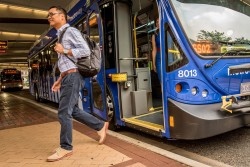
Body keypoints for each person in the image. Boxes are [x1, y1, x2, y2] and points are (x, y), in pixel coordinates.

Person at [46, 6, 109, 162]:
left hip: (74, 76)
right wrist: (60, 79)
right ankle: (100, 126)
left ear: (62, 17)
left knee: (63, 112)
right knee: (71, 110)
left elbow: (85, 51)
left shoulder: (70, 32)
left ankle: (66, 148)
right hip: (69, 76)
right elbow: (67, 63)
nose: (49, 17)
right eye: (48, 15)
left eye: (52, 14)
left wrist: (65, 50)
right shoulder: (61, 35)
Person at [151, 17, 161, 82]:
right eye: (157, 22)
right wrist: (154, 64)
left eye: (159, 21)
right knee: (161, 77)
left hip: (168, 57)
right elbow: (154, 50)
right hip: (158, 57)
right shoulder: (154, 35)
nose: (158, 23)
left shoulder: (169, 31)